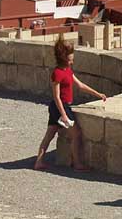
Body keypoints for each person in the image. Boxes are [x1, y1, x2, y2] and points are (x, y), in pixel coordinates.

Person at [34, 36, 107, 171]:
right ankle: (77, 164)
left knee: (50, 135)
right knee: (76, 134)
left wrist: (98, 94)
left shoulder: (67, 70)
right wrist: (64, 115)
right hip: (60, 107)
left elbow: (80, 85)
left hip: (60, 107)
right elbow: (56, 97)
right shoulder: (57, 73)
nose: (72, 61)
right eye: (70, 59)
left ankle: (39, 162)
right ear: (64, 58)